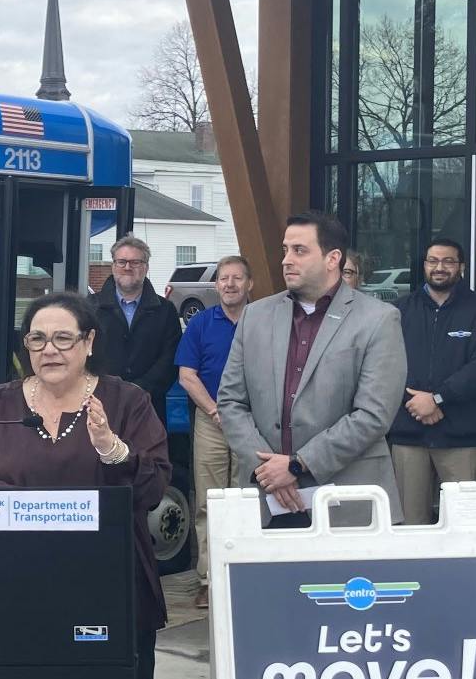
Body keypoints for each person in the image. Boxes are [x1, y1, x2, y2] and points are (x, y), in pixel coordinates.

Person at [0, 293, 172, 679]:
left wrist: (112, 449)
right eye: (37, 339)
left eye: (62, 339)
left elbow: (154, 486)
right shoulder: (1, 403)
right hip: (17, 583)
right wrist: (35, 510)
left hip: (109, 582)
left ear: (89, 343)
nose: (49, 349)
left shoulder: (126, 402)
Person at [217, 211, 405, 529]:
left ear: (332, 259)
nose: (287, 260)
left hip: (346, 503)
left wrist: (298, 465)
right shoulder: (255, 317)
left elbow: (373, 415)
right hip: (267, 501)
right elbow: (231, 401)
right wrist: (269, 469)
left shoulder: (378, 320)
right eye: (285, 250)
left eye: (299, 251)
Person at [389, 238, 476, 525]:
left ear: (461, 267)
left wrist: (438, 399)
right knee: (409, 527)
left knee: (464, 526)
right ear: (425, 265)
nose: (439, 267)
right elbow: (386, 364)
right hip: (408, 434)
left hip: (461, 437)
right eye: (433, 261)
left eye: (448, 261)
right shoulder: (398, 311)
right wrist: (415, 402)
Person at [174, 255, 250, 608]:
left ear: (250, 284)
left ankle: (244, 573)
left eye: (237, 278)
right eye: (223, 278)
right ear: (216, 284)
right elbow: (186, 375)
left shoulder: (263, 321)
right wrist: (214, 410)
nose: (230, 284)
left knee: (248, 500)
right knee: (209, 501)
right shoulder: (201, 324)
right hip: (212, 420)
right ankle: (209, 578)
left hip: (253, 421)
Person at [89, 236, 182, 424]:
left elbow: (170, 358)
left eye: (135, 262)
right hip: (98, 403)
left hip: (149, 405)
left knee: (147, 454)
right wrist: (106, 389)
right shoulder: (89, 307)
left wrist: (140, 389)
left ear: (146, 267)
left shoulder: (165, 310)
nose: (128, 267)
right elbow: (80, 354)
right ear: (113, 266)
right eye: (121, 261)